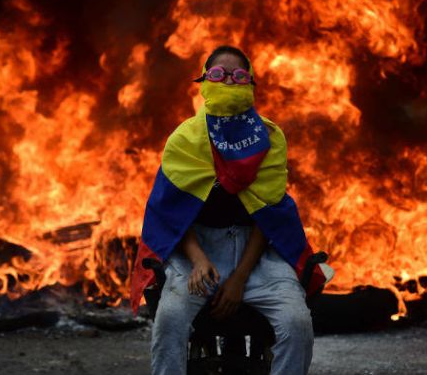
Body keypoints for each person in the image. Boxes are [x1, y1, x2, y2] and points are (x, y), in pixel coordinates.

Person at [130, 45, 331, 375]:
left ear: (250, 84)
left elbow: (268, 215)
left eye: (238, 76)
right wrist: (197, 260)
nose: (227, 82)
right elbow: (171, 214)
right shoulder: (184, 139)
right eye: (217, 74)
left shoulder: (269, 137)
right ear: (203, 82)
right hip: (197, 248)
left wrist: (239, 277)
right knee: (169, 319)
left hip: (258, 252)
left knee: (297, 324)